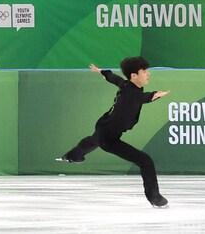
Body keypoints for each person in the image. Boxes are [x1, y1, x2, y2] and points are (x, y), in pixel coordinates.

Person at [57, 57, 170, 208]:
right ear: (134, 76)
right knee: (145, 161)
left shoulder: (126, 85)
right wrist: (154, 95)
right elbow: (139, 98)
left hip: (105, 128)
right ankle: (154, 197)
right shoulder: (132, 92)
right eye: (144, 71)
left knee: (92, 141)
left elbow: (114, 79)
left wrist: (102, 72)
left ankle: (71, 156)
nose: (148, 74)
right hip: (109, 137)